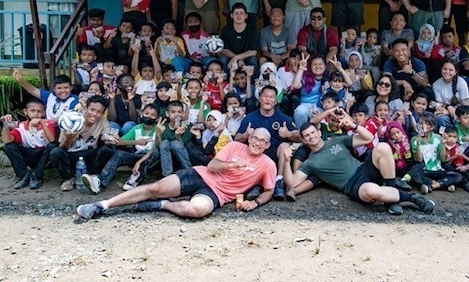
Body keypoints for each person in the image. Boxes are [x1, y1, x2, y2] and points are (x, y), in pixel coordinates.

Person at [76, 128, 276, 220]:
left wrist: (256, 202)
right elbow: (213, 166)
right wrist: (233, 166)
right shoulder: (234, 146)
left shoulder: (267, 164)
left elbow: (269, 190)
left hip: (218, 194)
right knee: (156, 188)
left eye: (262, 142)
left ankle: (164, 205)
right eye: (255, 138)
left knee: (197, 211)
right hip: (200, 175)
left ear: (267, 146)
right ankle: (101, 206)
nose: (257, 143)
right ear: (250, 138)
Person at [283, 120, 435, 215]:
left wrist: (354, 125)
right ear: (303, 140)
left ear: (318, 132)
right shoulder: (310, 162)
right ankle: (412, 198)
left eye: (312, 132)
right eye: (307, 135)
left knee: (382, 146)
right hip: (352, 185)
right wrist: (285, 160)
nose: (311, 136)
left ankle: (391, 199)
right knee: (371, 191)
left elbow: (368, 138)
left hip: (364, 169)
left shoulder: (336, 141)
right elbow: (292, 183)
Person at [49, 95, 115, 192]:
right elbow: (62, 148)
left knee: (107, 150)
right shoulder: (71, 119)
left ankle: (92, 176)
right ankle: (69, 178)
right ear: (86, 108)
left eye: (99, 112)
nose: (94, 114)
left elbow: (105, 136)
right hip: (71, 155)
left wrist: (110, 139)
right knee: (55, 152)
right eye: (92, 110)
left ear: (102, 113)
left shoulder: (103, 121)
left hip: (89, 155)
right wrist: (68, 139)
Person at [1, 98, 56, 190]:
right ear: (25, 112)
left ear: (43, 113)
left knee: (52, 146)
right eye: (32, 111)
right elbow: (7, 140)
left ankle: (37, 176)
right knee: (8, 147)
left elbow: (51, 140)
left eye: (39, 111)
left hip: (44, 157)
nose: (35, 114)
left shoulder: (48, 123)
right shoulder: (21, 126)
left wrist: (42, 123)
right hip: (29, 154)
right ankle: (24, 175)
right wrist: (5, 125)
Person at [13, 70, 78, 123]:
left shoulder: (75, 100)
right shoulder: (50, 96)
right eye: (59, 88)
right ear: (54, 89)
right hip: (46, 129)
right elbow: (33, 90)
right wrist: (21, 80)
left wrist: (42, 121)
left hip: (64, 132)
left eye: (66, 87)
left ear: (71, 88)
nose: (63, 91)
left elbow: (66, 118)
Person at [219, 2, 259, 73]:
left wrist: (236, 58)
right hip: (230, 56)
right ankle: (224, 82)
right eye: (236, 13)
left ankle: (253, 83)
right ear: (231, 15)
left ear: (246, 16)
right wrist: (237, 59)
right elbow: (224, 50)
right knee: (223, 59)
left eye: (241, 13)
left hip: (246, 57)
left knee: (253, 60)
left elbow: (253, 51)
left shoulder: (251, 29)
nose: (239, 16)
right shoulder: (226, 29)